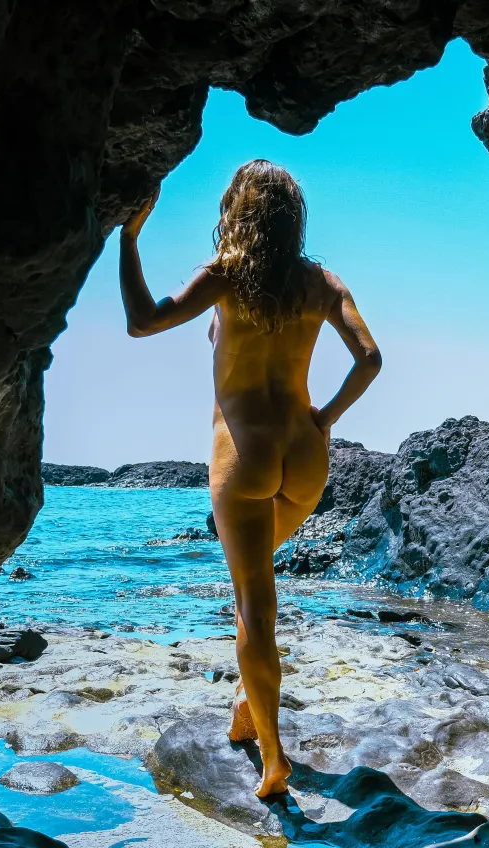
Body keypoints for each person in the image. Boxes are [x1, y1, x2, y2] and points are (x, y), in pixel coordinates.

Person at [118, 160, 382, 798]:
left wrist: (128, 239)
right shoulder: (321, 282)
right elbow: (370, 359)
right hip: (306, 455)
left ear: (238, 212)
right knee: (255, 585)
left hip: (245, 456)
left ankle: (273, 759)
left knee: (253, 609)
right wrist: (325, 418)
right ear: (294, 219)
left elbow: (142, 321)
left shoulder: (228, 276)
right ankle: (246, 706)